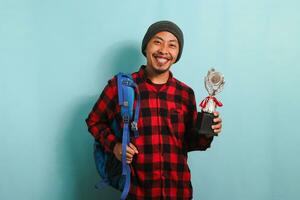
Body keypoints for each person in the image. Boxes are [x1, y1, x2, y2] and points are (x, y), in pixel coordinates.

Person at [86, 20, 222, 200]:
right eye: (157, 41)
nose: (164, 50)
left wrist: (207, 131)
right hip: (138, 193)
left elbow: (189, 142)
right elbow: (94, 121)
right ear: (146, 47)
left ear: (177, 53)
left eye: (172, 45)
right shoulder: (121, 87)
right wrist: (115, 146)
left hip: (179, 192)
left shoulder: (185, 94)